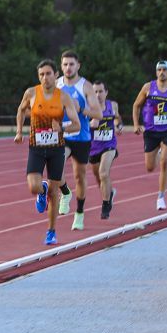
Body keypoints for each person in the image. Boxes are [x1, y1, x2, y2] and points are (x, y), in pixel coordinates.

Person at [15, 59, 82, 246]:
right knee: (33, 187)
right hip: (36, 147)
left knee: (54, 192)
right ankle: (40, 189)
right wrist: (19, 131)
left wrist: (60, 127)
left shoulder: (63, 97)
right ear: (39, 77)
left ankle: (51, 232)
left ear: (56, 75)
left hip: (56, 149)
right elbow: (20, 111)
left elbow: (76, 124)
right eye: (41, 74)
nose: (45, 78)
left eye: (48, 74)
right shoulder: (31, 93)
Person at [56, 50, 101, 231]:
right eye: (65, 64)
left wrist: (81, 108)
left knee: (79, 176)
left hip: (81, 137)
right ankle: (66, 192)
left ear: (78, 66)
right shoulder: (56, 85)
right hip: (63, 134)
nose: (68, 68)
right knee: (56, 166)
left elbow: (98, 113)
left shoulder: (85, 86)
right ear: (61, 66)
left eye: (71, 64)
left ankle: (80, 213)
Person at [132, 60, 167, 211]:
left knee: (164, 162)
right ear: (156, 72)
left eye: (165, 70)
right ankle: (159, 151)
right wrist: (136, 124)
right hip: (151, 131)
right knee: (150, 167)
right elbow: (136, 105)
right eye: (159, 70)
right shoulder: (148, 87)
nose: (162, 72)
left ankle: (161, 197)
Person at [87, 81, 122, 219]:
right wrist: (91, 124)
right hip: (93, 147)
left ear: (106, 92)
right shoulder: (88, 107)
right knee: (99, 176)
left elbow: (117, 118)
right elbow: (81, 124)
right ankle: (109, 193)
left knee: (103, 172)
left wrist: (118, 125)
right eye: (95, 92)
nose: (98, 95)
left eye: (100, 91)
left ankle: (106, 204)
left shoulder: (112, 105)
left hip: (109, 144)